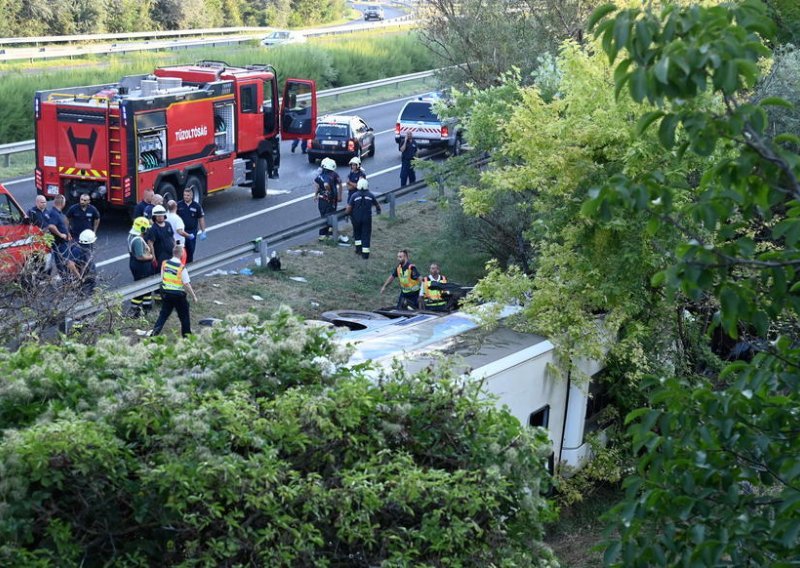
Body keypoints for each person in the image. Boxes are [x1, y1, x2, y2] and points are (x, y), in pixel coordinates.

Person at [151, 244, 198, 338]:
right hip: (178, 295)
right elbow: (186, 284)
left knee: (163, 316)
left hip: (167, 294)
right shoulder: (181, 267)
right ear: (181, 254)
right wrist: (194, 296)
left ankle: (153, 335)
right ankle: (187, 337)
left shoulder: (165, 263)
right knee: (184, 317)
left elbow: (162, 277)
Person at [346, 177, 381, 259]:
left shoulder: (354, 195)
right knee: (366, 235)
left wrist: (346, 214)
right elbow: (377, 205)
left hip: (356, 219)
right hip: (367, 219)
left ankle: (358, 250)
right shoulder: (370, 195)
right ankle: (365, 254)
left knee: (357, 234)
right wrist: (378, 211)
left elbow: (349, 207)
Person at [127, 216, 154, 316]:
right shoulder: (137, 240)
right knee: (141, 287)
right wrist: (150, 257)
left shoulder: (131, 236)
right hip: (141, 266)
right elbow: (140, 256)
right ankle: (135, 309)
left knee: (145, 286)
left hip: (135, 264)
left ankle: (147, 306)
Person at [313, 158, 342, 240]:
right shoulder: (334, 174)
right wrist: (338, 195)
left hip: (323, 200)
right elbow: (336, 183)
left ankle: (324, 235)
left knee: (324, 217)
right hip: (331, 200)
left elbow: (318, 185)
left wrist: (315, 195)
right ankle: (327, 234)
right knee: (330, 216)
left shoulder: (321, 175)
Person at [62, 229, 97, 296]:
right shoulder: (78, 249)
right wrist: (79, 277)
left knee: (91, 288)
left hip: (89, 272)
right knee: (82, 291)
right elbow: (70, 264)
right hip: (83, 274)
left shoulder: (87, 247)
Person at [177, 187, 206, 264]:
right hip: (181, 232)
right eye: (184, 195)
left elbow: (201, 218)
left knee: (190, 250)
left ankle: (190, 266)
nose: (186, 197)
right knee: (181, 251)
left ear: (191, 196)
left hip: (192, 232)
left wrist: (203, 231)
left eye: (188, 195)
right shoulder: (179, 205)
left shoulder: (196, 206)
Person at [47, 195, 72, 275]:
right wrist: (61, 234)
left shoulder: (57, 212)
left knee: (63, 261)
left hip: (61, 242)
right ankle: (65, 278)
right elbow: (51, 226)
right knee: (63, 261)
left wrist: (68, 233)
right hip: (59, 243)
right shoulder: (54, 213)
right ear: (63, 203)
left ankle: (65, 277)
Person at [165, 199, 190, 264]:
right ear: (176, 207)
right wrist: (189, 236)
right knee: (180, 264)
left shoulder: (165, 216)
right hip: (179, 245)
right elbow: (180, 231)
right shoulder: (177, 219)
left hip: (169, 243)